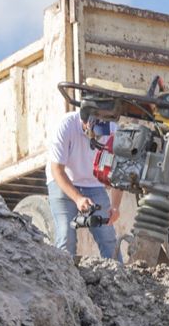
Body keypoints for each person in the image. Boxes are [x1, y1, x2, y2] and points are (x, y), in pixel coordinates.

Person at [46, 111, 122, 259]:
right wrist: (78, 198)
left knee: (108, 238)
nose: (99, 138)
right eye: (95, 133)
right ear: (85, 123)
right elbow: (56, 170)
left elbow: (119, 172)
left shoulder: (113, 129)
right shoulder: (66, 125)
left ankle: (118, 279)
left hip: (94, 184)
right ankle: (64, 278)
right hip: (63, 181)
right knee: (66, 236)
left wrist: (115, 206)